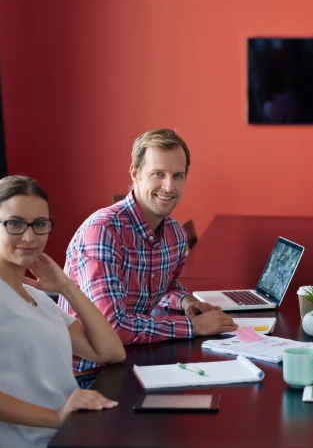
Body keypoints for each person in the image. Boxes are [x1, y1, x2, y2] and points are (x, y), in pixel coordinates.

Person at [0, 176, 125, 448]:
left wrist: (66, 286)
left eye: (39, 224)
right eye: (15, 223)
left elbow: (111, 352)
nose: (29, 237)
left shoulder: (37, 297)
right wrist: (55, 417)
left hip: (72, 433)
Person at [59, 128, 237, 387]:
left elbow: (164, 286)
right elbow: (111, 326)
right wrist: (194, 326)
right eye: (158, 174)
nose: (169, 187)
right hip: (89, 375)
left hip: (135, 359)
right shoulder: (103, 231)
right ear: (135, 173)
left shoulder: (174, 234)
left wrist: (186, 301)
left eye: (177, 176)